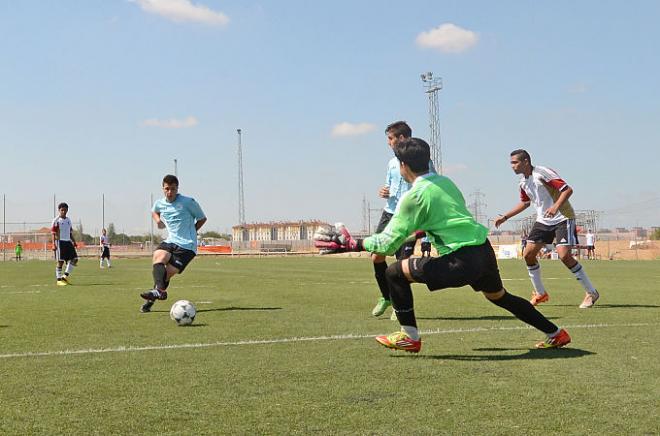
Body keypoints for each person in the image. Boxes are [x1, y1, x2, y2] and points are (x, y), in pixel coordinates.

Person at [314, 138, 571, 353]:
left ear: (403, 166)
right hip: (482, 250)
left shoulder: (414, 196)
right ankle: (555, 332)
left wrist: (350, 243)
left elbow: (386, 242)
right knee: (499, 297)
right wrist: (417, 232)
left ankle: (409, 337)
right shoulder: (445, 182)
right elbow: (444, 219)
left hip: (460, 259)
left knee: (394, 272)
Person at [494, 149, 599, 309]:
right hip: (543, 221)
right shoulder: (523, 182)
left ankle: (591, 292)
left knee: (564, 256)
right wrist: (505, 217)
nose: (512, 166)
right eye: (511, 163)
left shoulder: (542, 172)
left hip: (563, 217)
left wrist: (556, 207)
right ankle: (540, 293)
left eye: (515, 162)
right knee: (528, 254)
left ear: (526, 161)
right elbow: (525, 203)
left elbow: (567, 189)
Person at [370, 121, 433, 320]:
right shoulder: (391, 163)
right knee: (376, 256)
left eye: (391, 138)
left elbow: (430, 185)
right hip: (389, 213)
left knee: (401, 264)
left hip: (409, 215)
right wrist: (384, 191)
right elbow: (389, 186)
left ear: (402, 138)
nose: (388, 143)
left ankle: (400, 307)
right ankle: (386, 297)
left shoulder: (421, 160)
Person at [140, 175, 207, 313]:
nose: (170, 192)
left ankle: (152, 299)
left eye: (173, 189)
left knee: (165, 275)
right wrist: (158, 220)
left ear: (177, 189)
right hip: (171, 240)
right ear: (163, 189)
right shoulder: (160, 203)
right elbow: (154, 210)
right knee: (158, 256)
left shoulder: (188, 202)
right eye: (167, 189)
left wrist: (192, 231)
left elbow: (202, 218)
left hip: (187, 246)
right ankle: (159, 291)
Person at [51, 203, 78, 286]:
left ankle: (64, 276)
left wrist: (74, 241)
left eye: (65, 210)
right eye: (62, 210)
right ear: (59, 210)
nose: (63, 211)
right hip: (60, 242)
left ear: (67, 210)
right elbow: (53, 233)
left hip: (68, 242)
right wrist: (53, 244)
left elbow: (70, 232)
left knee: (75, 259)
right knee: (60, 261)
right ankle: (59, 280)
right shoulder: (56, 220)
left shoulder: (68, 220)